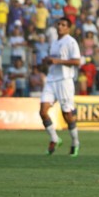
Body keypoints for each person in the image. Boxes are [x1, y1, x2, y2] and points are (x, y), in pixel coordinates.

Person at [40, 17, 82, 157]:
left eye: (63, 25)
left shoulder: (71, 42)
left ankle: (75, 142)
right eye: (58, 24)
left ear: (68, 28)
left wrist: (57, 61)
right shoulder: (54, 42)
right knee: (43, 111)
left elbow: (77, 61)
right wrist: (47, 61)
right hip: (51, 80)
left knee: (67, 115)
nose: (60, 27)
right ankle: (55, 139)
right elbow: (53, 60)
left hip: (64, 81)